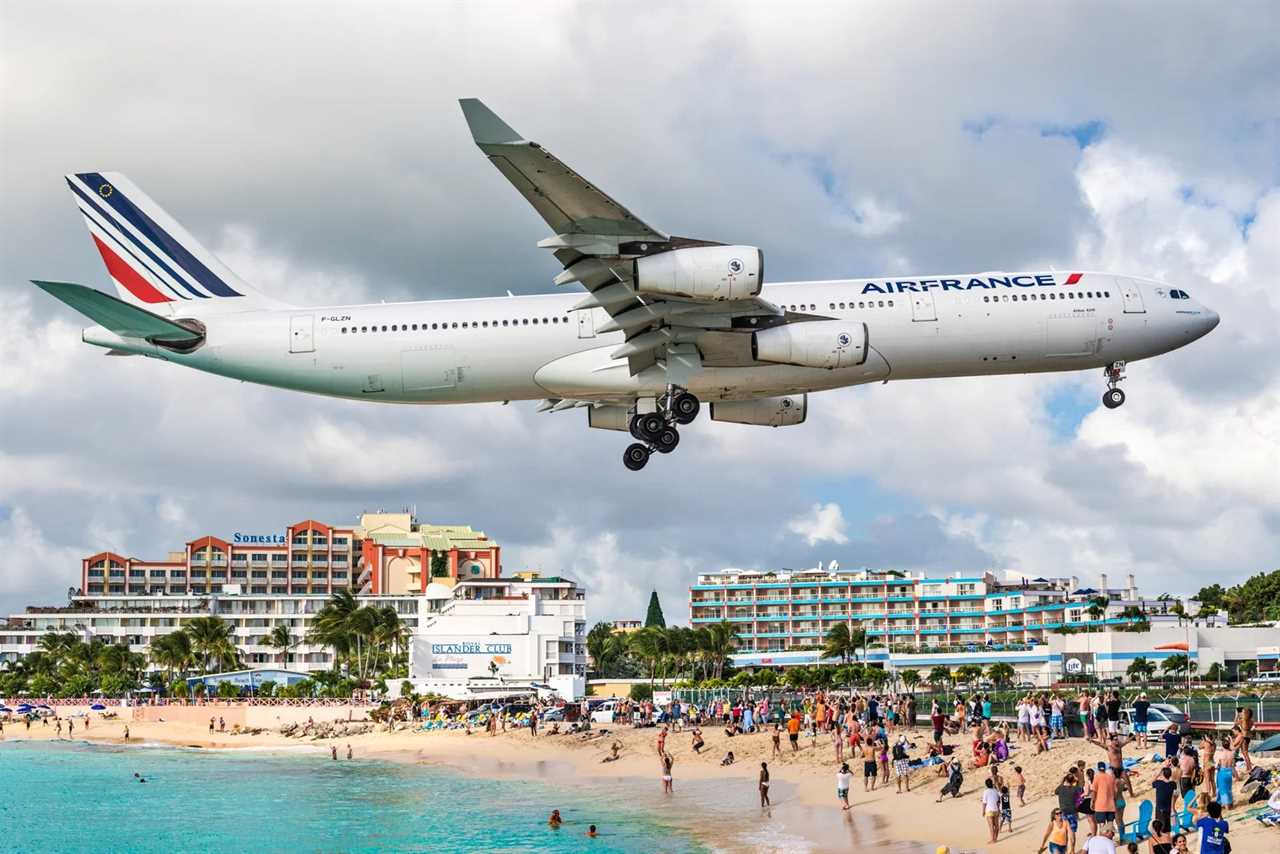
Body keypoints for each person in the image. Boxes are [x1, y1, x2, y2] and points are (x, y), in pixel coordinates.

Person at [1212, 737, 1237, 807]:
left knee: (1222, 789)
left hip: (1222, 772)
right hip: (1229, 772)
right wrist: (1235, 775)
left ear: (1222, 746)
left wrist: (1214, 766)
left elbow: (1217, 766)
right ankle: (1230, 803)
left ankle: (1225, 804)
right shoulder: (1232, 754)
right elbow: (1233, 765)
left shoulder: (1220, 754)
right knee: (1228, 788)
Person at [1152, 767, 1177, 833]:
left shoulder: (1158, 783)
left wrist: (1159, 774)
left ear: (1163, 774)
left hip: (1159, 808)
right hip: (1167, 808)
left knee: (1159, 827)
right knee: (1167, 827)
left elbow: (1152, 782)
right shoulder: (1173, 784)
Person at [981, 778, 1002, 844]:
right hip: (996, 809)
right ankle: (995, 838)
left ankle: (992, 840)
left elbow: (984, 803)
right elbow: (998, 801)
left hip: (989, 810)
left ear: (986, 785)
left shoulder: (985, 792)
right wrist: (998, 809)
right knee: (996, 825)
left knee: (991, 826)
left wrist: (983, 811)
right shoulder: (995, 791)